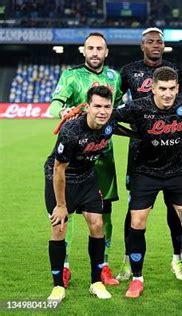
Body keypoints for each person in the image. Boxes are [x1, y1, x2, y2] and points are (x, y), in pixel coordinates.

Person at [113, 67, 182, 298]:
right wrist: (132, 135)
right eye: (162, 89)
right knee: (137, 222)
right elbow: (108, 116)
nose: (167, 94)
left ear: (177, 88)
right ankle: (137, 279)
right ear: (152, 88)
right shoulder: (138, 107)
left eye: (172, 88)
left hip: (177, 172)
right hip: (146, 172)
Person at [49, 32, 122, 287]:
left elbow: (119, 108)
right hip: (75, 151)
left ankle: (103, 265)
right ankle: (65, 265)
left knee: (105, 213)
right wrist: (62, 110)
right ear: (83, 51)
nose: (94, 52)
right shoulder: (71, 75)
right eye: (90, 48)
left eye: (99, 48)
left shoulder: (115, 77)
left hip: (103, 155)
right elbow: (53, 105)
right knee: (64, 212)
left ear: (106, 52)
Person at [45, 86, 128, 302]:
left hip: (87, 176)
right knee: (59, 226)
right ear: (88, 107)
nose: (102, 111)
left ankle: (96, 281)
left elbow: (123, 128)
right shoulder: (71, 131)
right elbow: (58, 169)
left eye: (107, 107)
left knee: (97, 225)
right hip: (62, 177)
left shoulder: (109, 122)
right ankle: (57, 286)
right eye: (97, 106)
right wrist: (61, 205)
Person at [118, 27, 182, 282]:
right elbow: (114, 105)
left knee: (176, 207)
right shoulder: (128, 71)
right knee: (134, 209)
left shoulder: (175, 70)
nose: (155, 45)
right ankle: (128, 261)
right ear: (142, 45)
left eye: (159, 41)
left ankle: (177, 258)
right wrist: (133, 134)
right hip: (140, 152)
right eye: (150, 41)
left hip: (170, 145)